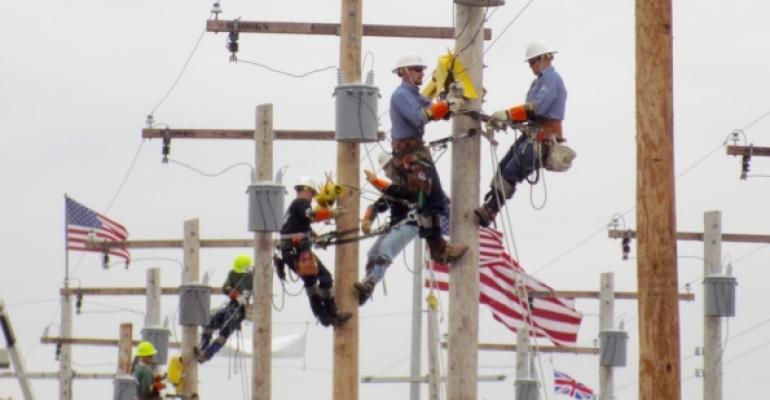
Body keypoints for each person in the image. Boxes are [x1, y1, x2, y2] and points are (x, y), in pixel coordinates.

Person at [475, 40, 568, 227]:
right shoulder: (538, 82)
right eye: (530, 63)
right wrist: (507, 119)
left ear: (544, 58)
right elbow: (528, 111)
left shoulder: (552, 79)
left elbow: (537, 108)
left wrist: (508, 114)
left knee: (512, 170)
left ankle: (491, 210)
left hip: (544, 137)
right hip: (532, 133)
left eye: (534, 62)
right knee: (503, 167)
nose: (532, 66)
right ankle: (490, 204)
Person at [389, 53, 467, 263]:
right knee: (431, 199)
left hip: (417, 151)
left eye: (422, 69)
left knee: (434, 198)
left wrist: (449, 102)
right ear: (404, 72)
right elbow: (418, 119)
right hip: (409, 154)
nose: (421, 73)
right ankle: (438, 249)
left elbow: (433, 109)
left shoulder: (413, 94)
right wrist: (443, 107)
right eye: (416, 69)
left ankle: (438, 248)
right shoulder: (401, 95)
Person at [274, 176, 353, 327]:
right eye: (312, 192)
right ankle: (331, 314)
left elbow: (305, 228)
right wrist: (330, 213)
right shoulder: (301, 203)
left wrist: (318, 239)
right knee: (325, 278)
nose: (312, 197)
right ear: (305, 190)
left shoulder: (293, 209)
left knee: (311, 283)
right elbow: (310, 216)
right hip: (297, 250)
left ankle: (325, 316)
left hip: (291, 251)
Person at [354, 153, 420, 305]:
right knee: (372, 253)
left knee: (385, 248)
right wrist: (367, 220)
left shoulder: (412, 181)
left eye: (387, 167)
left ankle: (370, 282)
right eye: (384, 169)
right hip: (395, 225)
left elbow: (399, 192)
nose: (386, 172)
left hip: (411, 225)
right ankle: (367, 285)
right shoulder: (392, 189)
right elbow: (377, 206)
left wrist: (375, 181)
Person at [196, 254, 253, 363]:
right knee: (210, 322)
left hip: (241, 310)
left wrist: (245, 298)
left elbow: (259, 292)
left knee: (225, 331)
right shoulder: (233, 274)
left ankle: (207, 354)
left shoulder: (253, 277)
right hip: (231, 304)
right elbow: (225, 288)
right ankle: (202, 346)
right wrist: (232, 293)